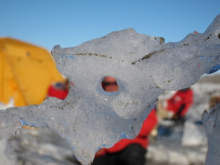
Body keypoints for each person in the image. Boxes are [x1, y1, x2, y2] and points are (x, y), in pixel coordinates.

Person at [92, 109, 158, 165]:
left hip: (130, 148)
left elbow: (146, 127)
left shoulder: (142, 103)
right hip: (106, 149)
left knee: (134, 154)